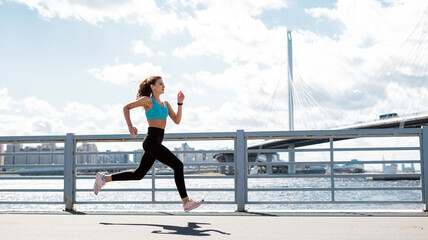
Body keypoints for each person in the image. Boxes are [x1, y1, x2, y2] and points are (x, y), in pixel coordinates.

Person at [93, 76, 203, 212]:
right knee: (178, 165)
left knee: (138, 174)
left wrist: (180, 104)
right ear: (152, 86)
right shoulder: (148, 101)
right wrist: (130, 126)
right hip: (151, 142)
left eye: (164, 84)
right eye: (160, 84)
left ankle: (103, 178)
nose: (164, 86)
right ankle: (186, 201)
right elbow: (126, 108)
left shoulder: (166, 104)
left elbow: (177, 120)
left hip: (155, 143)